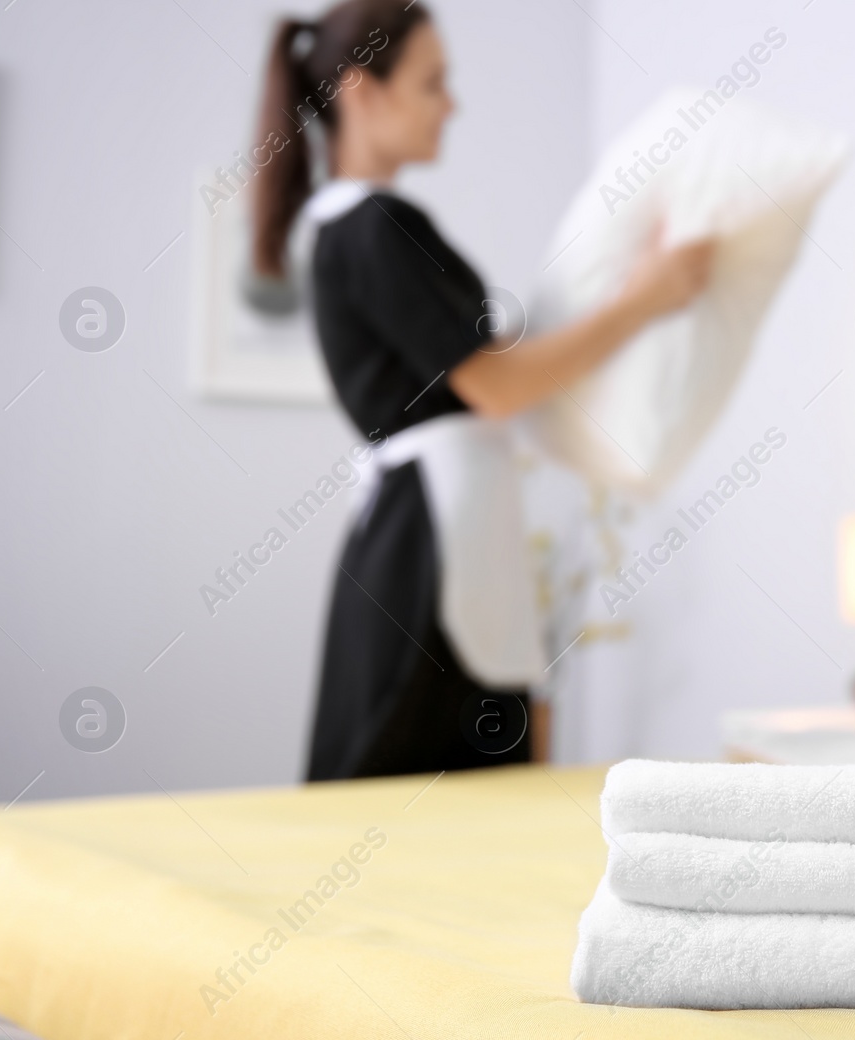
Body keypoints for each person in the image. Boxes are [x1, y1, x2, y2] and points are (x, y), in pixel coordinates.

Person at [251, 0, 713, 781]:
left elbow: (496, 365)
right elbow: (496, 385)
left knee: (444, 773)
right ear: (363, 92)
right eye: (434, 83)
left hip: (438, 526)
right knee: (414, 770)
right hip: (430, 541)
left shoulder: (359, 230)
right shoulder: (373, 229)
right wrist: (646, 299)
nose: (452, 104)